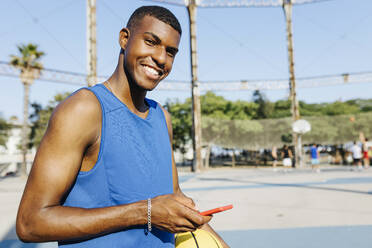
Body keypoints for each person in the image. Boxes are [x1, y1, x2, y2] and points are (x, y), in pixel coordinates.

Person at [16, 6, 229, 248]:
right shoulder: (84, 109)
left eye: (170, 52)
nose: (161, 58)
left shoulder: (162, 118)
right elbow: (30, 222)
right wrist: (145, 212)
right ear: (124, 38)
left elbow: (174, 198)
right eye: (151, 42)